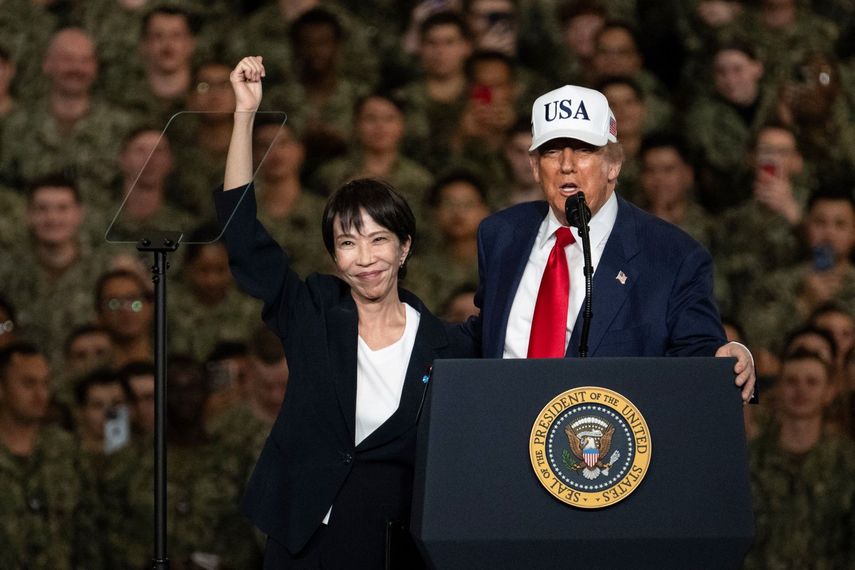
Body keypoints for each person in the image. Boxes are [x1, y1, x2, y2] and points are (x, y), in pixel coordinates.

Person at [216, 56, 477, 567]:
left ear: (405, 248)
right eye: (348, 243)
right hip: (302, 541)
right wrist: (244, 116)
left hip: (390, 545)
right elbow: (243, 239)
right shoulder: (312, 310)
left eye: (379, 240)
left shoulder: (448, 344)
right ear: (334, 255)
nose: (365, 259)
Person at [468, 83, 755, 402]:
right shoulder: (501, 234)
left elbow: (699, 357)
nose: (566, 164)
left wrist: (732, 357)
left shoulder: (673, 256)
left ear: (614, 164)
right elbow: (483, 335)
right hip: (502, 432)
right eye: (552, 150)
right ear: (535, 166)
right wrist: (407, 324)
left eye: (584, 149)